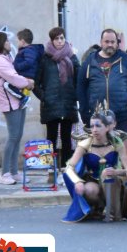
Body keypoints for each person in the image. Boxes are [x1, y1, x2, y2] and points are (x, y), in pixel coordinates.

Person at [62, 110, 127, 222]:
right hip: (94, 181)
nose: (94, 130)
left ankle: (114, 212)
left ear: (107, 127)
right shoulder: (85, 144)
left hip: (112, 181)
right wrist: (77, 181)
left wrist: (117, 171)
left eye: (98, 126)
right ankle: (96, 209)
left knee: (110, 177)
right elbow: (69, 167)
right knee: (89, 189)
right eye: (92, 126)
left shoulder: (116, 142)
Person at [0, 32, 35, 185]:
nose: (9, 42)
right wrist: (28, 82)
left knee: (17, 136)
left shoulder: (4, 58)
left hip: (16, 100)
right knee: (13, 136)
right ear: (0, 43)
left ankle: (13, 172)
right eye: (7, 40)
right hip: (9, 102)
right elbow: (13, 77)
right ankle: (4, 173)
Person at [77, 29, 127, 141]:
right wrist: (84, 111)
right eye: (107, 42)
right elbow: (81, 86)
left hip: (123, 117)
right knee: (100, 155)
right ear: (101, 42)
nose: (110, 44)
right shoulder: (90, 61)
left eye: (113, 42)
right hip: (97, 118)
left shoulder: (126, 60)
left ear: (117, 42)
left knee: (122, 154)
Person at [34, 27, 80, 173]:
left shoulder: (72, 56)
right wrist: (44, 97)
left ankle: (66, 167)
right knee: (51, 138)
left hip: (67, 102)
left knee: (67, 138)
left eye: (62, 38)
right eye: (56, 39)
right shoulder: (45, 58)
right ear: (52, 40)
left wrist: (75, 95)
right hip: (51, 104)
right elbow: (36, 82)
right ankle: (50, 167)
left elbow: (79, 79)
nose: (59, 41)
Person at [6, 28, 44, 109]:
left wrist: (17, 66)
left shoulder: (28, 50)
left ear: (22, 41)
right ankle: (23, 98)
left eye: (18, 41)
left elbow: (29, 61)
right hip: (26, 75)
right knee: (18, 87)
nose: (17, 43)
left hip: (26, 75)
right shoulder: (28, 50)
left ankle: (23, 97)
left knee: (8, 85)